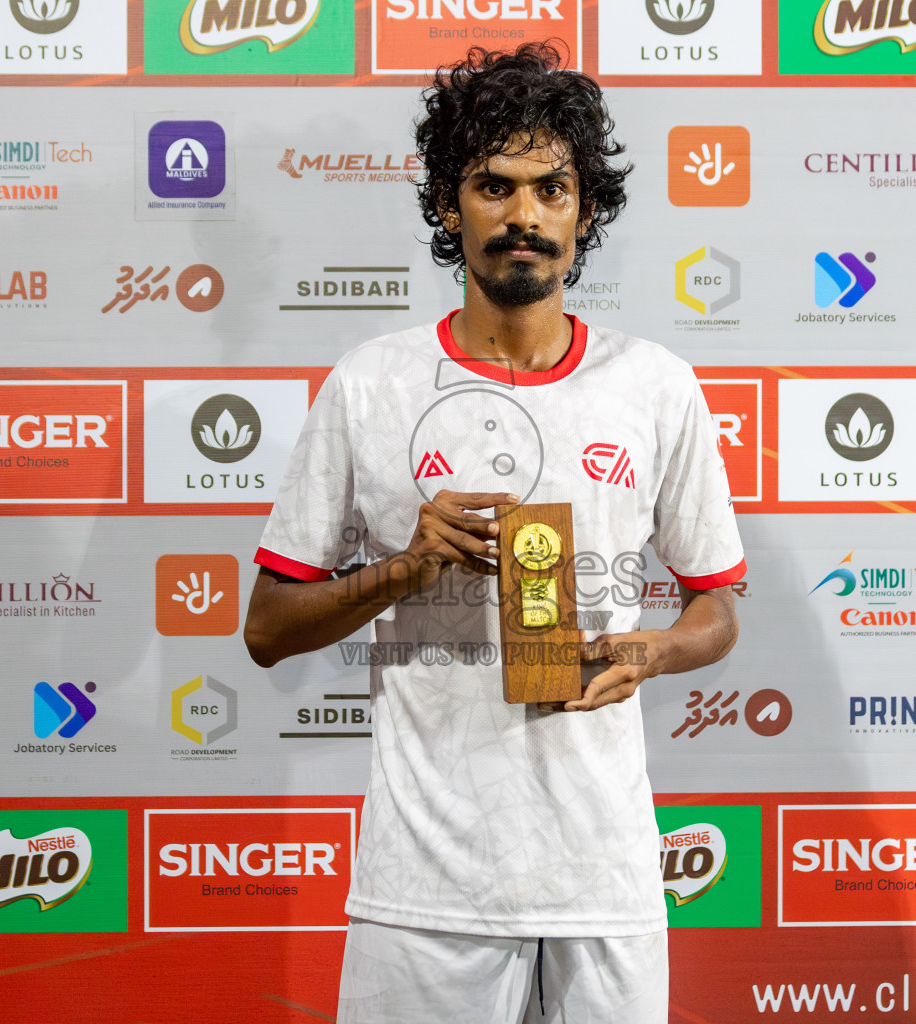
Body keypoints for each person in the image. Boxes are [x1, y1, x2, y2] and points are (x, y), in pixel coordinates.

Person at [244, 42, 745, 1024]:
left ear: (584, 212)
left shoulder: (654, 384)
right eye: (493, 186)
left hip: (604, 875)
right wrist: (407, 565)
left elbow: (718, 605)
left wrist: (654, 647)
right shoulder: (372, 382)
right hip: (426, 883)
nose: (524, 214)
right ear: (447, 207)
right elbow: (267, 627)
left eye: (552, 189)